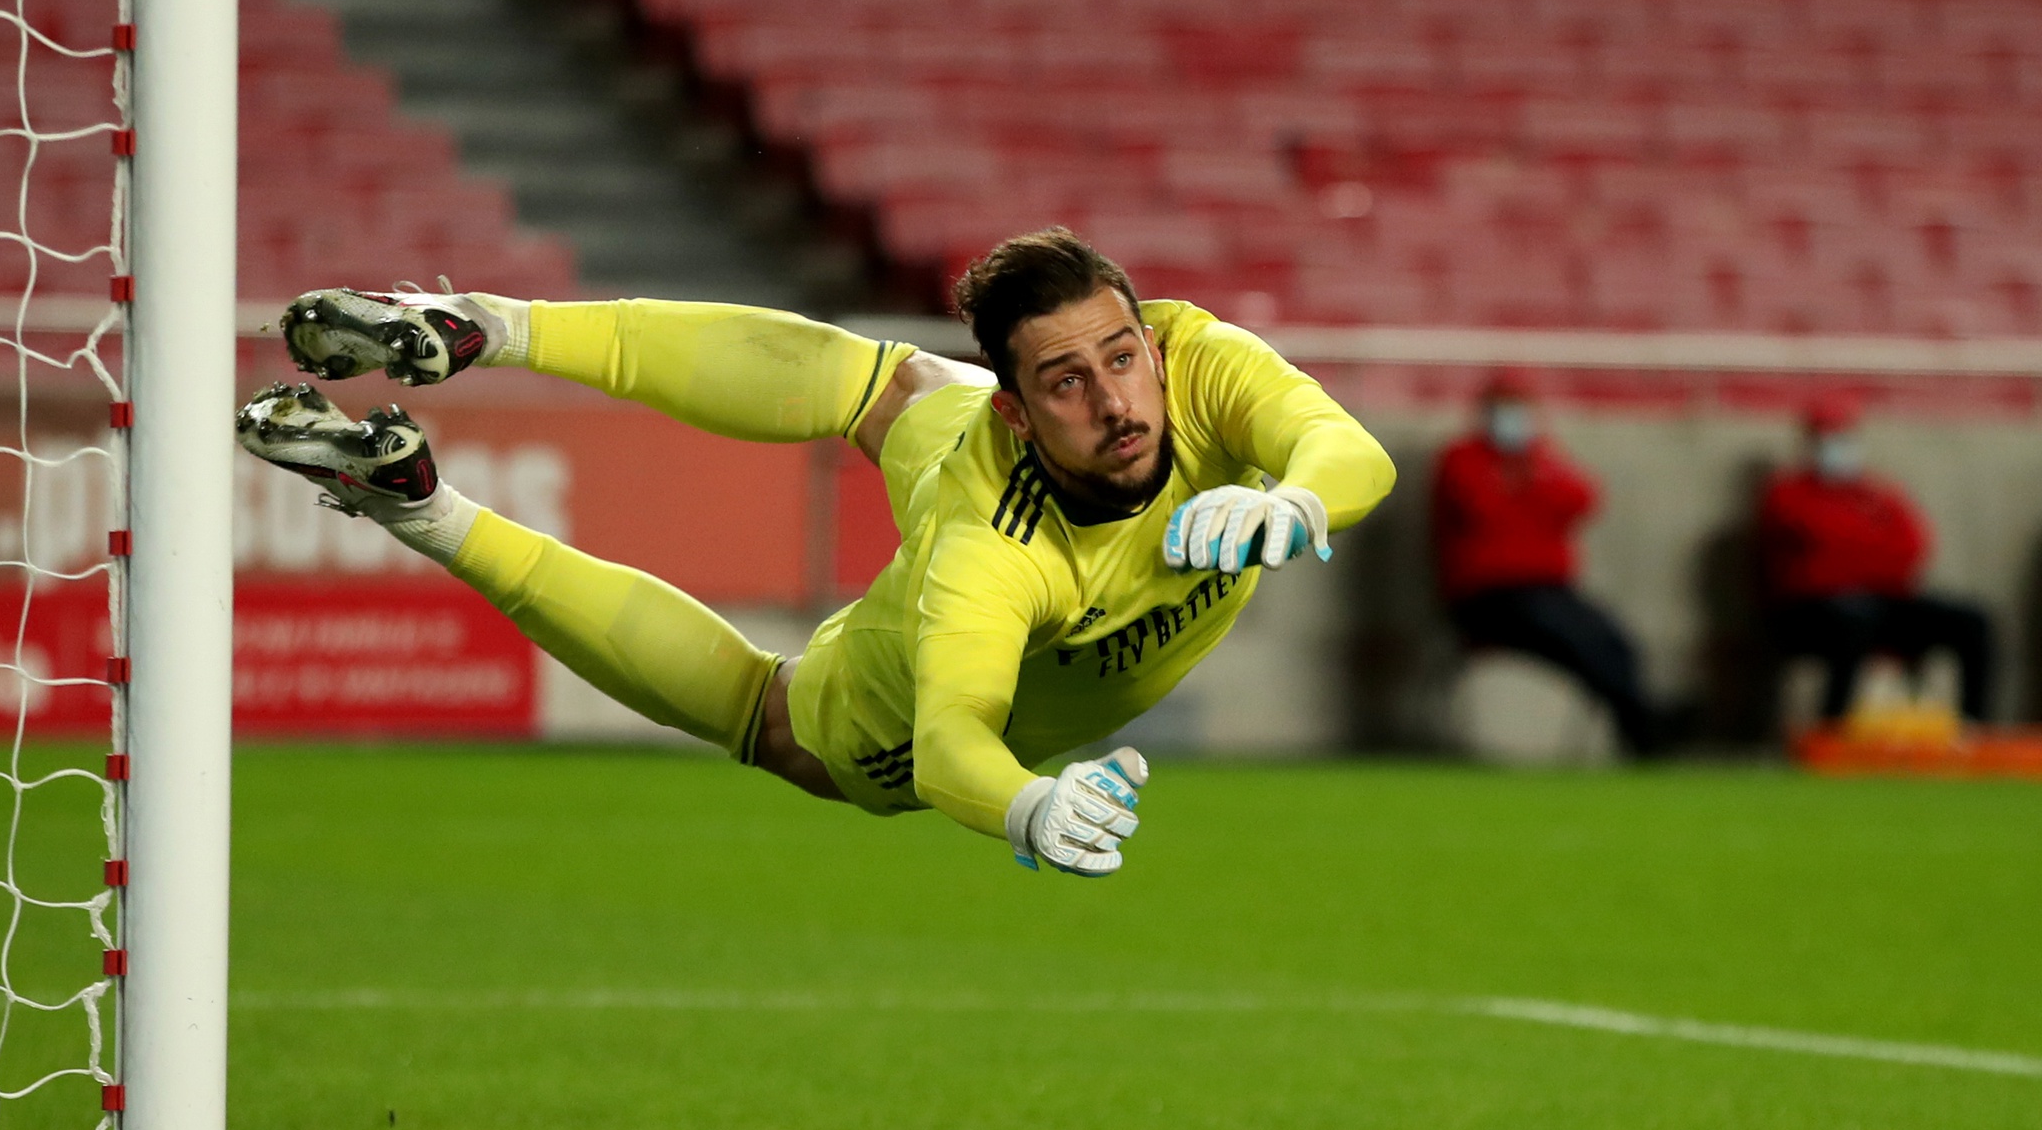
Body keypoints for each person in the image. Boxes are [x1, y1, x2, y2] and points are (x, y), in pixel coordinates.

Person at [238, 228, 1396, 874]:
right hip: (943, 598)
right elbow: (949, 745)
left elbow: (1347, 451)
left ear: (1150, 338)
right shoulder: (987, 557)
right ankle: (420, 510)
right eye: (1064, 382)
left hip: (955, 415)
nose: (1115, 398)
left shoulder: (1194, 361)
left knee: (885, 384)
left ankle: (493, 326)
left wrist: (1294, 499)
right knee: (779, 726)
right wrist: (1028, 808)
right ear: (1020, 411)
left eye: (1121, 357)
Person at [1430, 370, 1664, 756]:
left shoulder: (1541, 457)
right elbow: (1483, 510)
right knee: (1572, 638)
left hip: (1551, 590)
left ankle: (1640, 723)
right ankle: (1645, 729)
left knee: (1614, 639)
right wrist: (1532, 494)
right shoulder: (1461, 459)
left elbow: (1582, 499)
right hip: (1491, 598)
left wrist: (1525, 482)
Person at [1758, 393, 1994, 722]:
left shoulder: (1878, 494)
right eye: (1826, 437)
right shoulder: (1786, 492)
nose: (1836, 445)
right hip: (1809, 614)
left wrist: (1852, 559)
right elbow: (1817, 553)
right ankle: (1833, 727)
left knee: (1972, 620)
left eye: (1843, 436)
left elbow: (1912, 546)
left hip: (1883, 604)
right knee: (1854, 617)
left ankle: (1973, 728)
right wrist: (1866, 554)